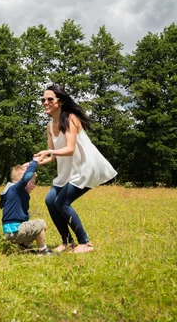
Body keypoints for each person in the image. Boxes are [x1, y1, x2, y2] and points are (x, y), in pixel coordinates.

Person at [35, 84, 117, 254]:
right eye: (43, 99)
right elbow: (53, 156)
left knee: (62, 203)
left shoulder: (71, 118)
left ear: (61, 101)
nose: (45, 102)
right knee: (50, 200)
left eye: (50, 99)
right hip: (67, 171)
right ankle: (67, 242)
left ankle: (85, 243)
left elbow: (70, 149)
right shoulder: (50, 126)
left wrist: (50, 151)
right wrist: (35, 163)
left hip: (83, 168)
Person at [0, 158, 55, 256]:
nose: (34, 186)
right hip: (15, 231)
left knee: (42, 227)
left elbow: (20, 173)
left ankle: (24, 247)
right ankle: (43, 251)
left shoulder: (10, 189)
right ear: (27, 182)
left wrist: (26, 166)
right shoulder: (17, 189)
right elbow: (26, 177)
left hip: (10, 231)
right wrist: (35, 162)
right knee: (40, 224)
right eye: (33, 182)